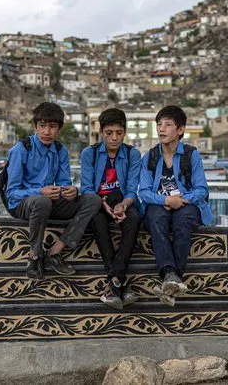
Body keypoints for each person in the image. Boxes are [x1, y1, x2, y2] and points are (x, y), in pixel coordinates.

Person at [5, 102, 102, 280]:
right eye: (42, 126)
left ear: (59, 129)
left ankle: (54, 252)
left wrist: (71, 191)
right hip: (22, 203)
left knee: (93, 200)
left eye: (52, 127)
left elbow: (64, 183)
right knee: (42, 201)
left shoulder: (60, 151)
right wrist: (40, 191)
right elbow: (11, 193)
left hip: (48, 202)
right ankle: (34, 256)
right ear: (35, 126)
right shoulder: (21, 149)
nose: (47, 132)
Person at [139, 105, 213, 306]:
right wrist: (165, 200)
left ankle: (170, 276)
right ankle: (172, 276)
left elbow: (202, 189)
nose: (161, 129)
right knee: (155, 217)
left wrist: (182, 199)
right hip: (159, 204)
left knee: (185, 219)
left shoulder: (191, 155)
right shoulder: (150, 157)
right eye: (159, 125)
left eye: (168, 125)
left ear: (180, 130)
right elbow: (144, 192)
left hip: (185, 203)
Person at [80, 108, 141, 310]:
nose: (114, 138)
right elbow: (87, 188)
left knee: (133, 219)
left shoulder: (133, 154)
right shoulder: (90, 154)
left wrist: (123, 205)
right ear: (101, 132)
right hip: (97, 201)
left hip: (123, 201)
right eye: (109, 133)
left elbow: (132, 189)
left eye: (119, 133)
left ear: (125, 132)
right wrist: (102, 203)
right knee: (97, 220)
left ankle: (114, 283)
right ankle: (119, 281)